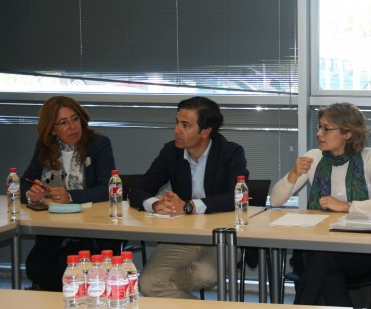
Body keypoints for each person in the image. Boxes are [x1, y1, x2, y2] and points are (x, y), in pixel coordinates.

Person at [270, 102, 371, 307]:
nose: (319, 133)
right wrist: (294, 174)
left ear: (347, 134)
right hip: (318, 249)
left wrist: (347, 206)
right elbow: (276, 200)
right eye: (319, 127)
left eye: (326, 129)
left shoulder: (368, 157)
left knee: (322, 261)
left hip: (360, 251)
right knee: (327, 270)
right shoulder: (314, 157)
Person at [128, 96, 248, 299]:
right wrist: (155, 204)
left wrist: (190, 206)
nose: (177, 130)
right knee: (147, 283)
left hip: (223, 236)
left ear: (205, 131)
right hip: (183, 236)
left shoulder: (230, 153)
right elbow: (138, 191)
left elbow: (236, 197)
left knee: (203, 275)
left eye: (185, 125)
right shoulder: (170, 152)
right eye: (177, 122)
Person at [20, 95, 122, 291]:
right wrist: (32, 194)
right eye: (63, 123)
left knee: (65, 271)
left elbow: (107, 188)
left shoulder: (98, 144)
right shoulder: (44, 147)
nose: (72, 127)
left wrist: (71, 196)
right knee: (36, 267)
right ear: (52, 129)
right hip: (55, 229)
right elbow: (26, 182)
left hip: (92, 231)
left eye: (75, 119)